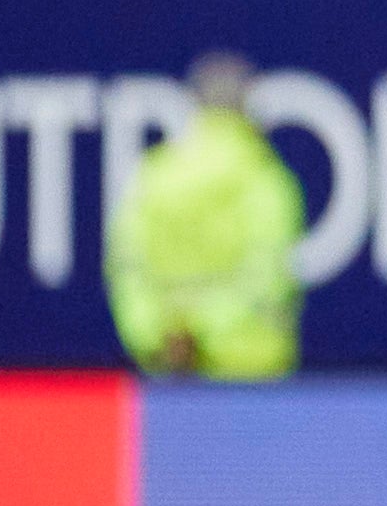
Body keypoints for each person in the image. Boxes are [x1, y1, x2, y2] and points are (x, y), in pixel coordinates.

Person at [107, 57, 304, 379]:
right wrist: (203, 331)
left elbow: (128, 269)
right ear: (247, 107)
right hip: (250, 375)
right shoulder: (264, 179)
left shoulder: (153, 175)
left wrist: (163, 333)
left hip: (169, 372)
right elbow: (268, 278)